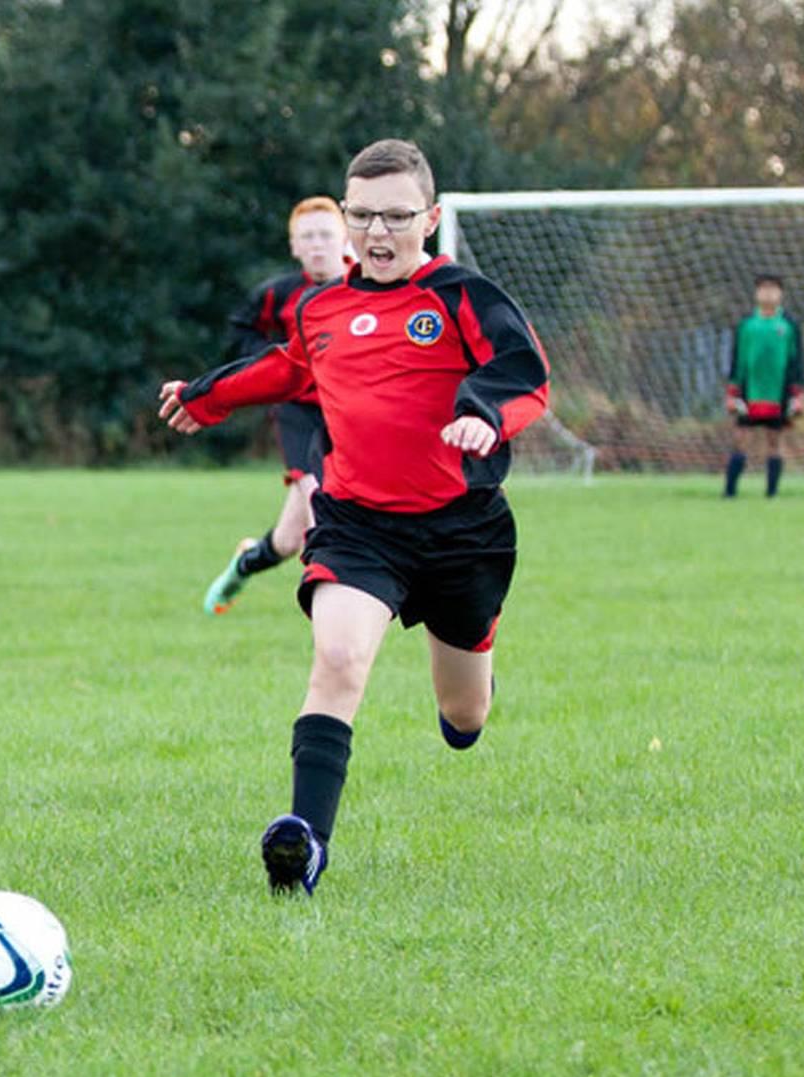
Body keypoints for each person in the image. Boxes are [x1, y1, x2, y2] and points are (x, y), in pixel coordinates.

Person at [160, 138, 550, 896]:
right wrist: (205, 397)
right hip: (359, 523)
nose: (378, 233)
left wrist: (483, 416)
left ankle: (475, 690)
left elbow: (525, 374)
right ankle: (306, 846)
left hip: (461, 529)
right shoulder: (323, 307)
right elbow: (284, 367)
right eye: (363, 216)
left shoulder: (463, 297)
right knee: (337, 663)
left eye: (396, 217)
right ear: (344, 219)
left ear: (429, 218)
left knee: (462, 716)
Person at [202, 196, 347, 615]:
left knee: (288, 540)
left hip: (347, 414)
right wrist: (273, 360)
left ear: (344, 240)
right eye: (307, 237)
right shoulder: (278, 294)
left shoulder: (362, 289)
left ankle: (243, 563)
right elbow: (240, 330)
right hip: (298, 413)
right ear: (294, 246)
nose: (317, 244)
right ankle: (335, 614)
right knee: (323, 503)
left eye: (325, 235)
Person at [722, 273, 804, 497]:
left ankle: (772, 493)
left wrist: (798, 395)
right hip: (749, 391)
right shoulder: (747, 325)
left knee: (774, 442)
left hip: (778, 392)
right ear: (756, 294)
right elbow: (737, 360)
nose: (768, 293)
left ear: (781, 294)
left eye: (773, 289)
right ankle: (729, 492)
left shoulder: (788, 325)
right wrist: (732, 392)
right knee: (740, 439)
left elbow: (797, 362)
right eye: (763, 289)